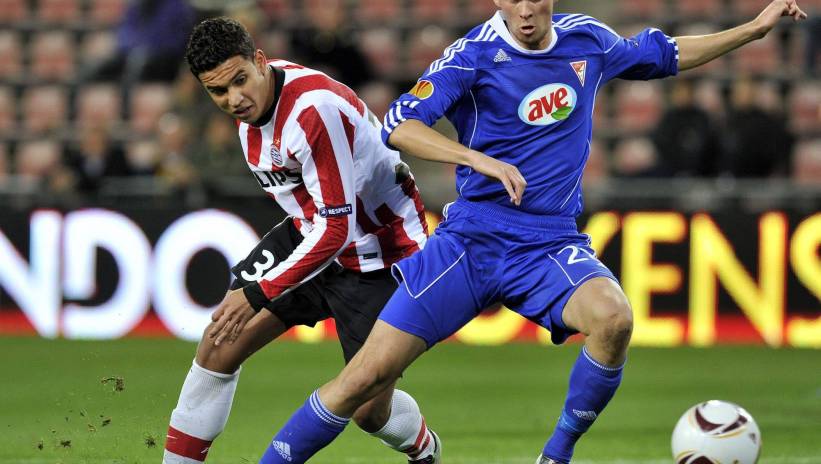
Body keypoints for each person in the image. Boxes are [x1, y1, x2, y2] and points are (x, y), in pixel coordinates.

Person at [211, 1, 808, 463]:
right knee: (362, 384)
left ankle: (555, 456)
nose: (524, 10)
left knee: (614, 319)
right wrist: (477, 159)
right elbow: (399, 124)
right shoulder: (471, 56)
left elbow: (668, 53)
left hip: (549, 243)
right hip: (471, 242)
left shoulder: (587, 40)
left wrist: (753, 30)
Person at [163, 17, 441, 464]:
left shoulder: (313, 110)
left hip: (380, 254)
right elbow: (317, 217)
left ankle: (423, 446)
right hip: (314, 234)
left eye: (239, 81)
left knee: (369, 413)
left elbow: (338, 229)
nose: (234, 99)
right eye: (218, 91)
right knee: (218, 343)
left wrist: (259, 292)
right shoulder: (252, 115)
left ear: (260, 61)